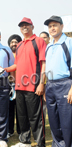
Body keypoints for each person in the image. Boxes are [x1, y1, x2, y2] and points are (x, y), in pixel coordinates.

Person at [5, 17, 46, 147]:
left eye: (27, 25)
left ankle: (40, 143)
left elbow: (44, 63)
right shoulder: (20, 45)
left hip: (33, 86)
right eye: (22, 25)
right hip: (19, 86)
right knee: (22, 116)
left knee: (36, 117)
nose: (24, 27)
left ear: (32, 26)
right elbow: (16, 65)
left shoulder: (38, 41)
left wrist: (41, 83)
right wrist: (4, 69)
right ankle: (25, 141)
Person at [44, 15, 72, 147]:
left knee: (66, 120)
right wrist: (45, 86)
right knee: (53, 120)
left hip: (65, 84)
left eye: (55, 25)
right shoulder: (49, 46)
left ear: (62, 26)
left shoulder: (69, 42)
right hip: (50, 85)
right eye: (50, 26)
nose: (52, 28)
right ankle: (57, 144)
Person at [7, 34, 22, 138]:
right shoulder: (7, 54)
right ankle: (9, 130)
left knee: (21, 110)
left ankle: (21, 131)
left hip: (22, 85)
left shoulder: (22, 53)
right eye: (12, 42)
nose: (14, 44)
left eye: (16, 42)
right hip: (9, 86)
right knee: (9, 109)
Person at [39, 31, 50, 121]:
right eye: (41, 38)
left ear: (49, 39)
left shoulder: (51, 49)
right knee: (42, 106)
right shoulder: (38, 51)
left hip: (50, 82)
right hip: (40, 83)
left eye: (45, 37)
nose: (42, 39)